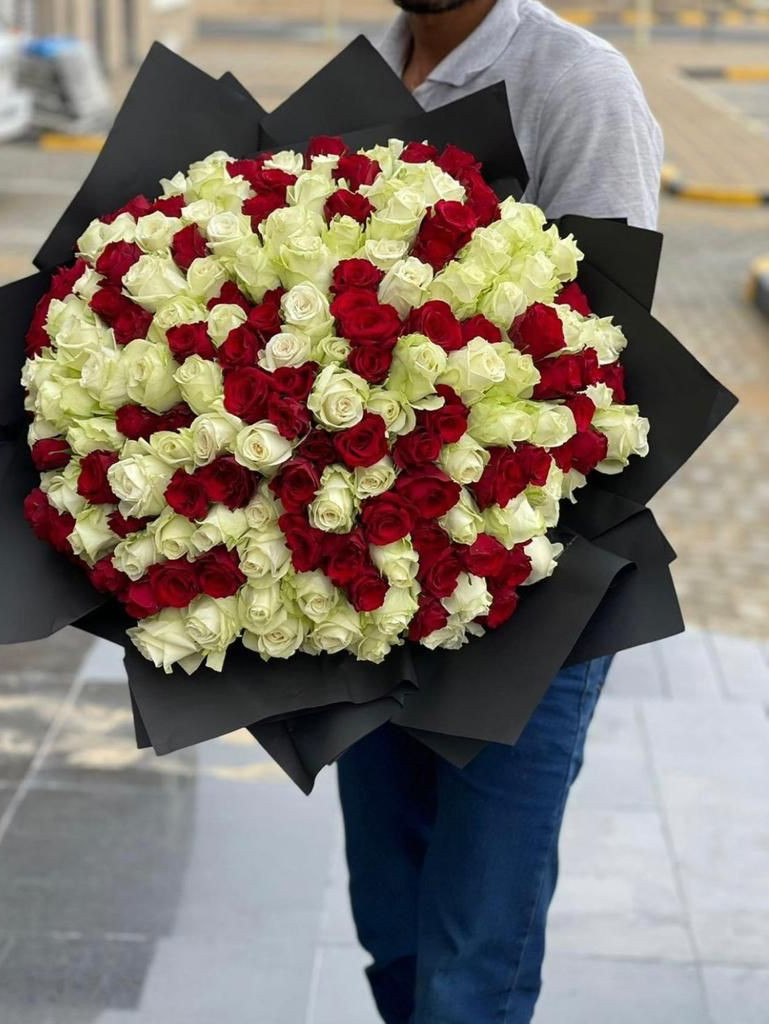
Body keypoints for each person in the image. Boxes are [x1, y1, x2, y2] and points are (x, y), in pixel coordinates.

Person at [337, 2, 663, 1022]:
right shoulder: (359, 77)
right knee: (390, 930)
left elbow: (608, 361)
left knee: (469, 966)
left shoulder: (576, 82)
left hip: (534, 597)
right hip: (365, 585)